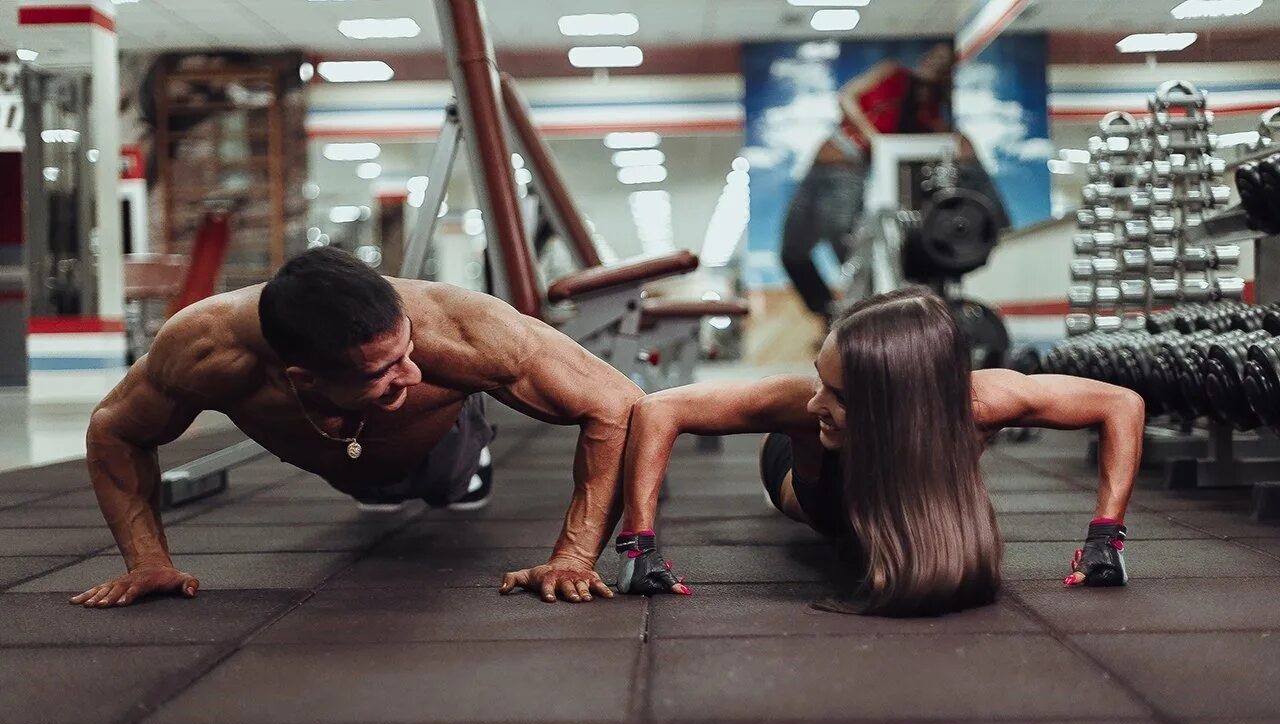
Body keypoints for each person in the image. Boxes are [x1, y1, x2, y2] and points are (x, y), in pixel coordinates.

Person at [71, 247, 641, 608]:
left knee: (446, 486)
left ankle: (473, 452)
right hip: (338, 458)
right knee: (376, 493)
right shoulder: (202, 351)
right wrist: (148, 561)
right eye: (383, 368)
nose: (412, 372)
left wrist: (574, 556)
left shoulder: (466, 328)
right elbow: (113, 431)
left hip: (440, 443)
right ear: (303, 378)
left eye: (407, 348)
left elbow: (619, 405)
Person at [614, 288, 1144, 617]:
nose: (818, 398)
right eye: (821, 379)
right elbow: (659, 410)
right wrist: (638, 546)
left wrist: (1106, 537)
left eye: (838, 394)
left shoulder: (977, 402)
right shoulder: (802, 405)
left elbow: (1121, 404)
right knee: (800, 416)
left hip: (895, 469)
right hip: (802, 479)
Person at [780, 44, 955, 325]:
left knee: (845, 245)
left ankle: (860, 317)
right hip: (816, 169)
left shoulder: (929, 115)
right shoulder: (892, 73)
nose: (936, 64)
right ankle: (829, 313)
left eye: (945, 63)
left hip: (848, 175)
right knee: (792, 252)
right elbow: (847, 97)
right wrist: (872, 134)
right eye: (934, 56)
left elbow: (940, 146)